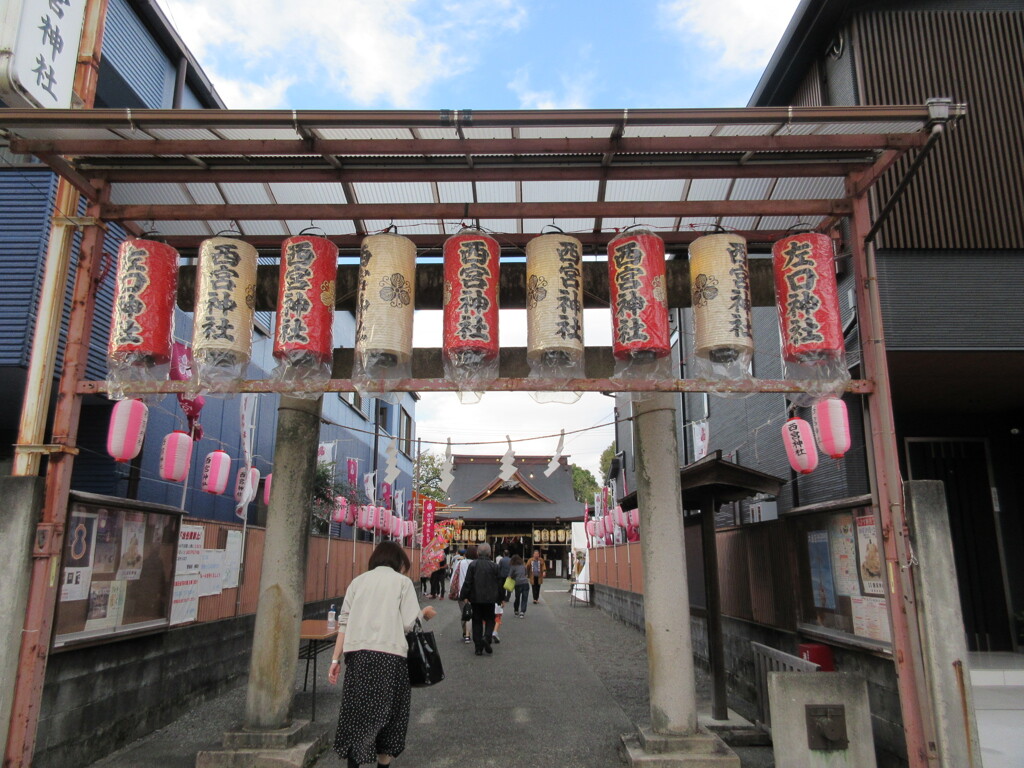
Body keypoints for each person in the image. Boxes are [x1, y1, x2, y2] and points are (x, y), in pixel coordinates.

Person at [327, 541, 437, 768]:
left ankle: (354, 763)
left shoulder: (357, 582)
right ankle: (382, 764)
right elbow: (409, 624)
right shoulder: (402, 583)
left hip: (358, 658)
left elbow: (344, 623)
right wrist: (424, 614)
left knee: (357, 714)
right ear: (399, 562)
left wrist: (335, 659)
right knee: (391, 716)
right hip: (390, 658)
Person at [459, 542, 503, 656]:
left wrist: (464, 596)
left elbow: (468, 582)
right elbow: (500, 584)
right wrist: (501, 598)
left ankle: (478, 647)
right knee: (490, 619)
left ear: (478, 553)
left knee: (477, 621)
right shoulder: (495, 566)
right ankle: (487, 638)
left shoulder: (473, 565)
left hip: (475, 598)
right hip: (490, 599)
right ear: (489, 553)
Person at [449, 545, 476, 643]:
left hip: (462, 591)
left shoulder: (461, 563)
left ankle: (465, 633)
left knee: (464, 612)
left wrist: (452, 589)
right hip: (474, 592)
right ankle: (470, 634)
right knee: (472, 613)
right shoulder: (476, 563)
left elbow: (454, 576)